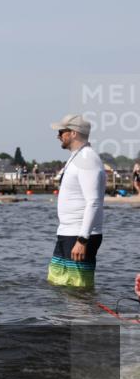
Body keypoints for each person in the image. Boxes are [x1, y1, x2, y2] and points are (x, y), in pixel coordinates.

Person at [47, 114, 106, 288]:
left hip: (79, 236)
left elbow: (93, 202)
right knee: (58, 284)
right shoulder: (77, 157)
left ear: (73, 133)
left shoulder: (88, 159)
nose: (57, 136)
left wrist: (82, 240)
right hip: (67, 232)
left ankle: (85, 308)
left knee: (78, 290)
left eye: (61, 132)